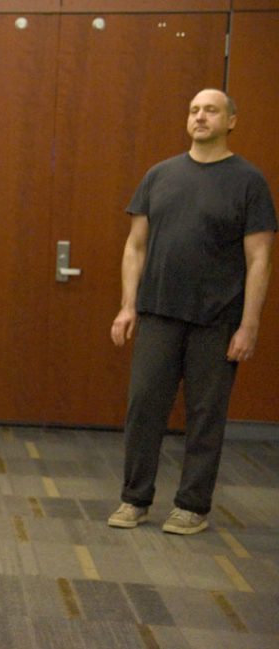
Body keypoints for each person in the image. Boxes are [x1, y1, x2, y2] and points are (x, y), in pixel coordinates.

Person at [108, 88, 276, 535]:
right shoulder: (160, 175)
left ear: (231, 121)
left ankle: (192, 506)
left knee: (205, 414)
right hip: (159, 311)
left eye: (211, 110)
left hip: (217, 320)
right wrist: (128, 307)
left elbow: (260, 258)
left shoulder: (248, 181)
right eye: (194, 110)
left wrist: (250, 324)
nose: (200, 117)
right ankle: (134, 498)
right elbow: (135, 245)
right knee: (144, 407)